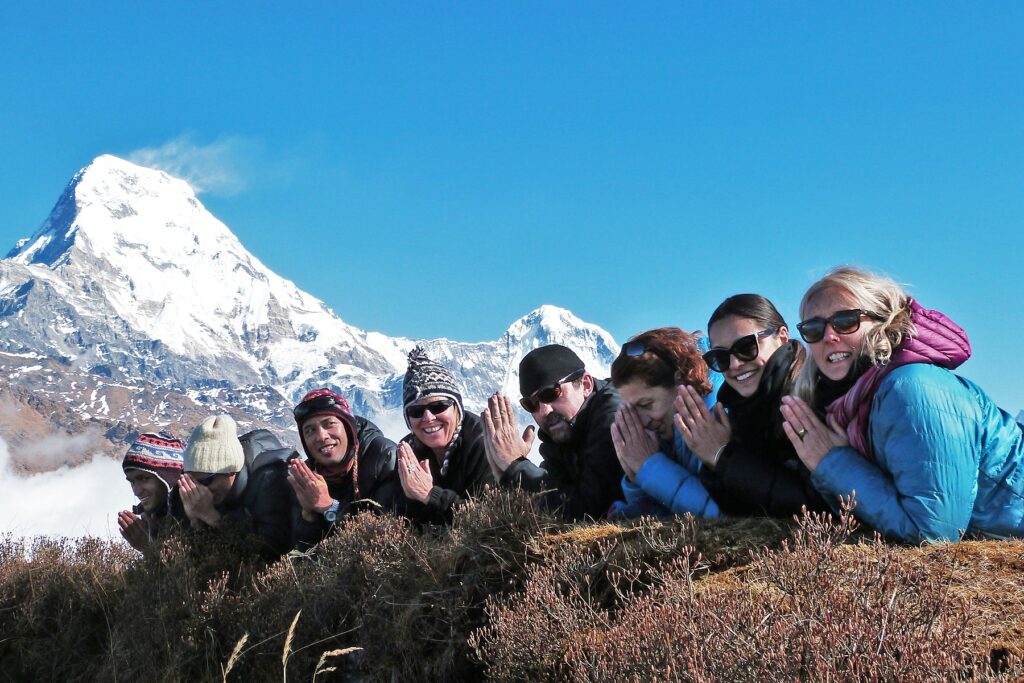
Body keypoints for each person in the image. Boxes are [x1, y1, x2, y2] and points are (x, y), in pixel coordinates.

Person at [780, 266, 1024, 542]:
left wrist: (833, 462)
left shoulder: (914, 388)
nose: (829, 336)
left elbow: (935, 534)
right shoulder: (847, 404)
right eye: (813, 328)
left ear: (884, 319)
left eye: (846, 321)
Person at [689, 294, 828, 517]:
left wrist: (723, 458)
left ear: (782, 336)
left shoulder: (814, 396)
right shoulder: (735, 412)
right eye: (720, 357)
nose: (734, 364)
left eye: (746, 346)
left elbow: (820, 506)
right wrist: (716, 464)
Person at [482, 344, 623, 521]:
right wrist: (504, 472)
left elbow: (590, 511)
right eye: (531, 404)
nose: (544, 411)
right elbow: (556, 498)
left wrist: (517, 466)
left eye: (551, 393)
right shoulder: (560, 432)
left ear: (586, 385)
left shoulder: (613, 415)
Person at [607, 327, 721, 519]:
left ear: (680, 382)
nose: (642, 421)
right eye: (633, 410)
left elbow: (721, 514)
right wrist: (637, 480)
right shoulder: (665, 432)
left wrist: (649, 467)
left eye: (646, 404)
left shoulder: (716, 415)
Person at [288, 388, 401, 549]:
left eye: (329, 424)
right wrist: (308, 515)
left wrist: (328, 506)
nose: (321, 436)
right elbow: (303, 551)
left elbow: (382, 538)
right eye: (310, 430)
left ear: (348, 428)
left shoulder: (383, 457)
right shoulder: (305, 476)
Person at [171, 414, 296, 559]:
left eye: (206, 481)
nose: (200, 490)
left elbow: (272, 550)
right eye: (193, 482)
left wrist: (212, 517)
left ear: (232, 471)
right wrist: (195, 522)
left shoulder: (269, 480)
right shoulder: (188, 489)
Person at [396, 346, 492, 525]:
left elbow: (487, 520)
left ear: (456, 408)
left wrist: (431, 495)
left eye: (438, 406)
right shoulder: (408, 451)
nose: (428, 418)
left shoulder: (483, 442)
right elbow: (405, 522)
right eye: (416, 411)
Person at [117, 430, 185, 551]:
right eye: (132, 482)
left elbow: (194, 568)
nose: (136, 491)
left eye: (145, 478)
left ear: (169, 478)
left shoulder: (192, 516)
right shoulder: (152, 518)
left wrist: (148, 548)